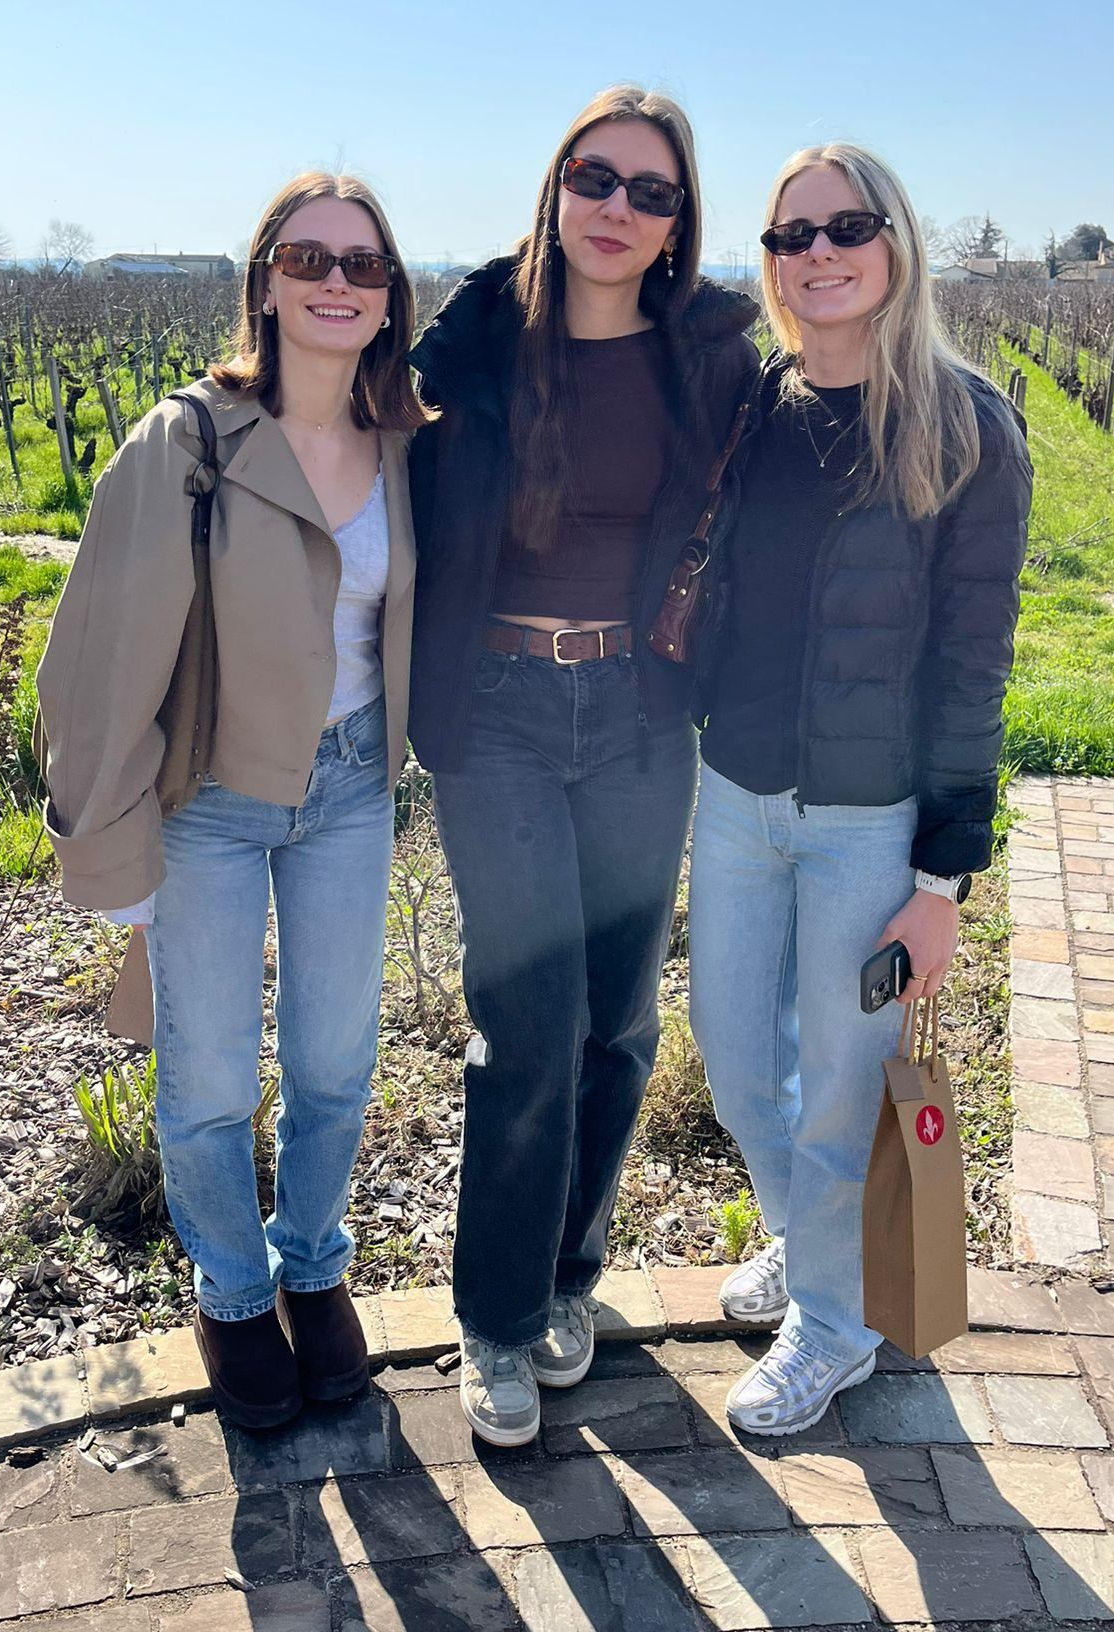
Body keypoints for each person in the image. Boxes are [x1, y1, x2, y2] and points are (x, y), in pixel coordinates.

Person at [34, 172, 426, 1430]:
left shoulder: (408, 443)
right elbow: (100, 655)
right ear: (263, 280)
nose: (335, 283)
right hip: (208, 796)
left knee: (334, 1060)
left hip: (351, 788)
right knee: (207, 1074)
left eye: (362, 264)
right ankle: (234, 1292)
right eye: (308, 259)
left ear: (391, 296)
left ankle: (312, 1267)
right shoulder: (191, 441)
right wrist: (109, 839)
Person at [408, 86, 760, 1446]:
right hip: (497, 710)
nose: (619, 208)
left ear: (679, 223)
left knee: (618, 1022)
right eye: (596, 178)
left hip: (636, 712)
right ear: (556, 188)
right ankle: (496, 1317)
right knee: (530, 1024)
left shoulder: (710, 360)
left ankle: (567, 1277)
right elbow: (348, 434)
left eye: (651, 192)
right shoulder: (475, 343)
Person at [686, 141, 1032, 1436]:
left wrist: (942, 881)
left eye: (846, 227)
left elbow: (974, 667)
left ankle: (834, 1328)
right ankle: (808, 1240)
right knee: (734, 1061)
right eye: (791, 236)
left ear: (897, 242)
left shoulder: (966, 427)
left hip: (867, 823)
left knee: (841, 1082)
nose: (818, 252)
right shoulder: (753, 408)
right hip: (735, 796)